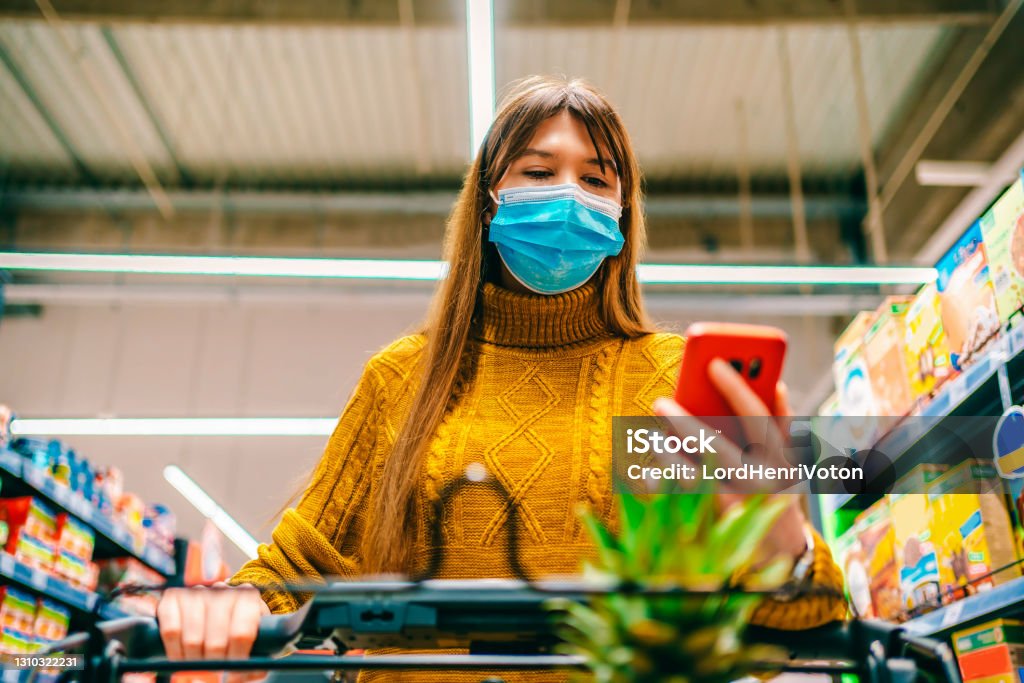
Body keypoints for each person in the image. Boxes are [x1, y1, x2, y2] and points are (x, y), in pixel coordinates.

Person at [156, 75, 847, 680]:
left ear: (623, 215)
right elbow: (295, 566)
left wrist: (784, 548)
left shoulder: (670, 385)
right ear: (488, 201)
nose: (569, 194)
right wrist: (229, 605)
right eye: (539, 172)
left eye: (597, 178)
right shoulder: (401, 380)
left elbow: (805, 626)